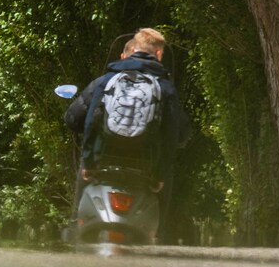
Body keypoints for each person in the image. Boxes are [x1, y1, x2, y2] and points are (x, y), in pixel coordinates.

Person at [63, 28, 191, 194]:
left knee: (82, 187)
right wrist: (160, 175)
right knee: (168, 179)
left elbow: (82, 120)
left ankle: (75, 219)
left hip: (102, 160)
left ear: (133, 50)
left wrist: (89, 163)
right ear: (159, 53)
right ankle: (163, 221)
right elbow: (173, 135)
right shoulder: (165, 89)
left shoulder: (106, 81)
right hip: (146, 169)